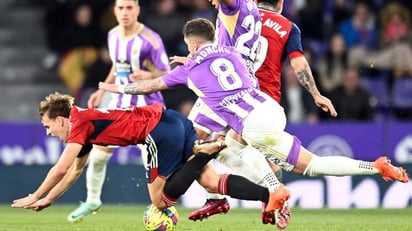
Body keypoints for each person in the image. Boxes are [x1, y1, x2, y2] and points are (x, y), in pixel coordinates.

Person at [99, 17, 409, 221]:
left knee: (226, 149)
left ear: (191, 44)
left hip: (251, 122)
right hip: (271, 108)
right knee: (312, 164)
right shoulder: (231, 52)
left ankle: (275, 189)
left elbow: (150, 85)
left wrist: (114, 87)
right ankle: (376, 166)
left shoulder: (188, 70)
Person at [11, 93, 287, 222]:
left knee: (160, 199)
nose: (48, 133)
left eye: (48, 126)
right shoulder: (84, 128)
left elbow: (60, 168)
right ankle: (269, 196)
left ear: (60, 119)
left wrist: (35, 194)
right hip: (174, 120)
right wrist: (49, 199)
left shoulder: (78, 122)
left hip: (157, 132)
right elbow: (72, 172)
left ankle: (207, 151)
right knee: (213, 184)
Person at [168, 0, 285, 224]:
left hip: (224, 87)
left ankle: (270, 190)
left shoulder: (234, 6)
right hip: (237, 81)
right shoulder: (248, 8)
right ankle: (230, 195)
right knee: (217, 148)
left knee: (190, 144)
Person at [68, 0, 171, 223]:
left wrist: (148, 76)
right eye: (120, 8)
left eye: (129, 8)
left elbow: (167, 74)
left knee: (153, 164)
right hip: (119, 104)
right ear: (115, 11)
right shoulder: (113, 34)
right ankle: (93, 200)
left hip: (147, 108)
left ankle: (163, 207)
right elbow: (117, 66)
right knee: (98, 155)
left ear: (138, 10)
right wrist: (102, 90)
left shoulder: (150, 40)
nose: (125, 12)